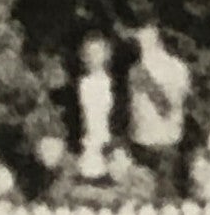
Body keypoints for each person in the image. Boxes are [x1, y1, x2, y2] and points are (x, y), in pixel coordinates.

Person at [126, 24, 191, 198]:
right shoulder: (136, 70)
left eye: (144, 41)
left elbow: (173, 105)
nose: (140, 46)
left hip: (166, 142)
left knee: (166, 198)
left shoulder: (175, 68)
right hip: (141, 141)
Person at [74, 34, 115, 181]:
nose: (93, 57)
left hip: (109, 139)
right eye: (89, 53)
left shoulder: (110, 83)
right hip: (92, 138)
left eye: (98, 52)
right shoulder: (85, 84)